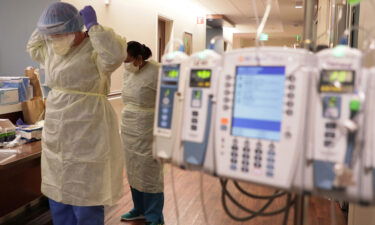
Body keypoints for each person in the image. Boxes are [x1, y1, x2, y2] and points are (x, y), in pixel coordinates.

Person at [26, 3, 126, 225]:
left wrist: (94, 27)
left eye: (59, 33)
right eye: (51, 34)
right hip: (57, 124)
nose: (54, 38)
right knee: (57, 187)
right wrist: (43, 28)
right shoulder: (51, 48)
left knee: (86, 191)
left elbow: (115, 56)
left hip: (88, 124)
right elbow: (33, 46)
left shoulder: (95, 47)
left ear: (75, 28)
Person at [120, 41, 164, 225]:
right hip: (129, 126)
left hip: (148, 126)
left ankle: (154, 216)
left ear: (139, 58)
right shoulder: (129, 71)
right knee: (133, 169)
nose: (125, 62)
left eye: (128, 59)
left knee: (149, 171)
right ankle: (139, 209)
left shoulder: (158, 70)